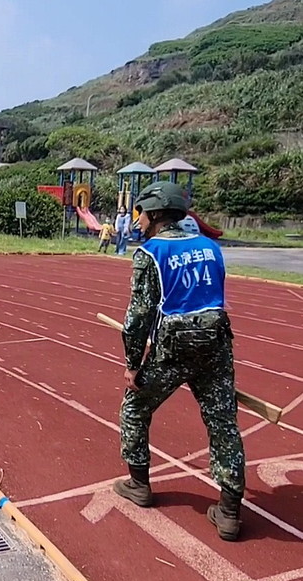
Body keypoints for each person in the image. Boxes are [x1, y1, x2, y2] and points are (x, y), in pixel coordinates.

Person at [114, 181, 245, 541]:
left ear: (155, 215)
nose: (137, 219)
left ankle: (139, 484)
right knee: (223, 422)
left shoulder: (150, 253)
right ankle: (230, 512)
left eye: (141, 212)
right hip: (215, 348)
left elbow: (137, 318)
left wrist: (132, 364)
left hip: (172, 350)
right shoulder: (211, 248)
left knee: (135, 408)